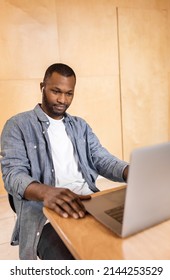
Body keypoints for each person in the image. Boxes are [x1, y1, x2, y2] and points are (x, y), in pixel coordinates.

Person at [0, 63, 129, 260]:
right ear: (42, 86)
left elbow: (102, 159)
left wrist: (130, 172)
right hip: (46, 216)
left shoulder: (80, 126)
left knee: (125, 252)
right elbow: (12, 175)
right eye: (56, 91)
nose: (62, 100)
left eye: (69, 94)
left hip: (88, 204)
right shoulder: (18, 125)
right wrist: (46, 192)